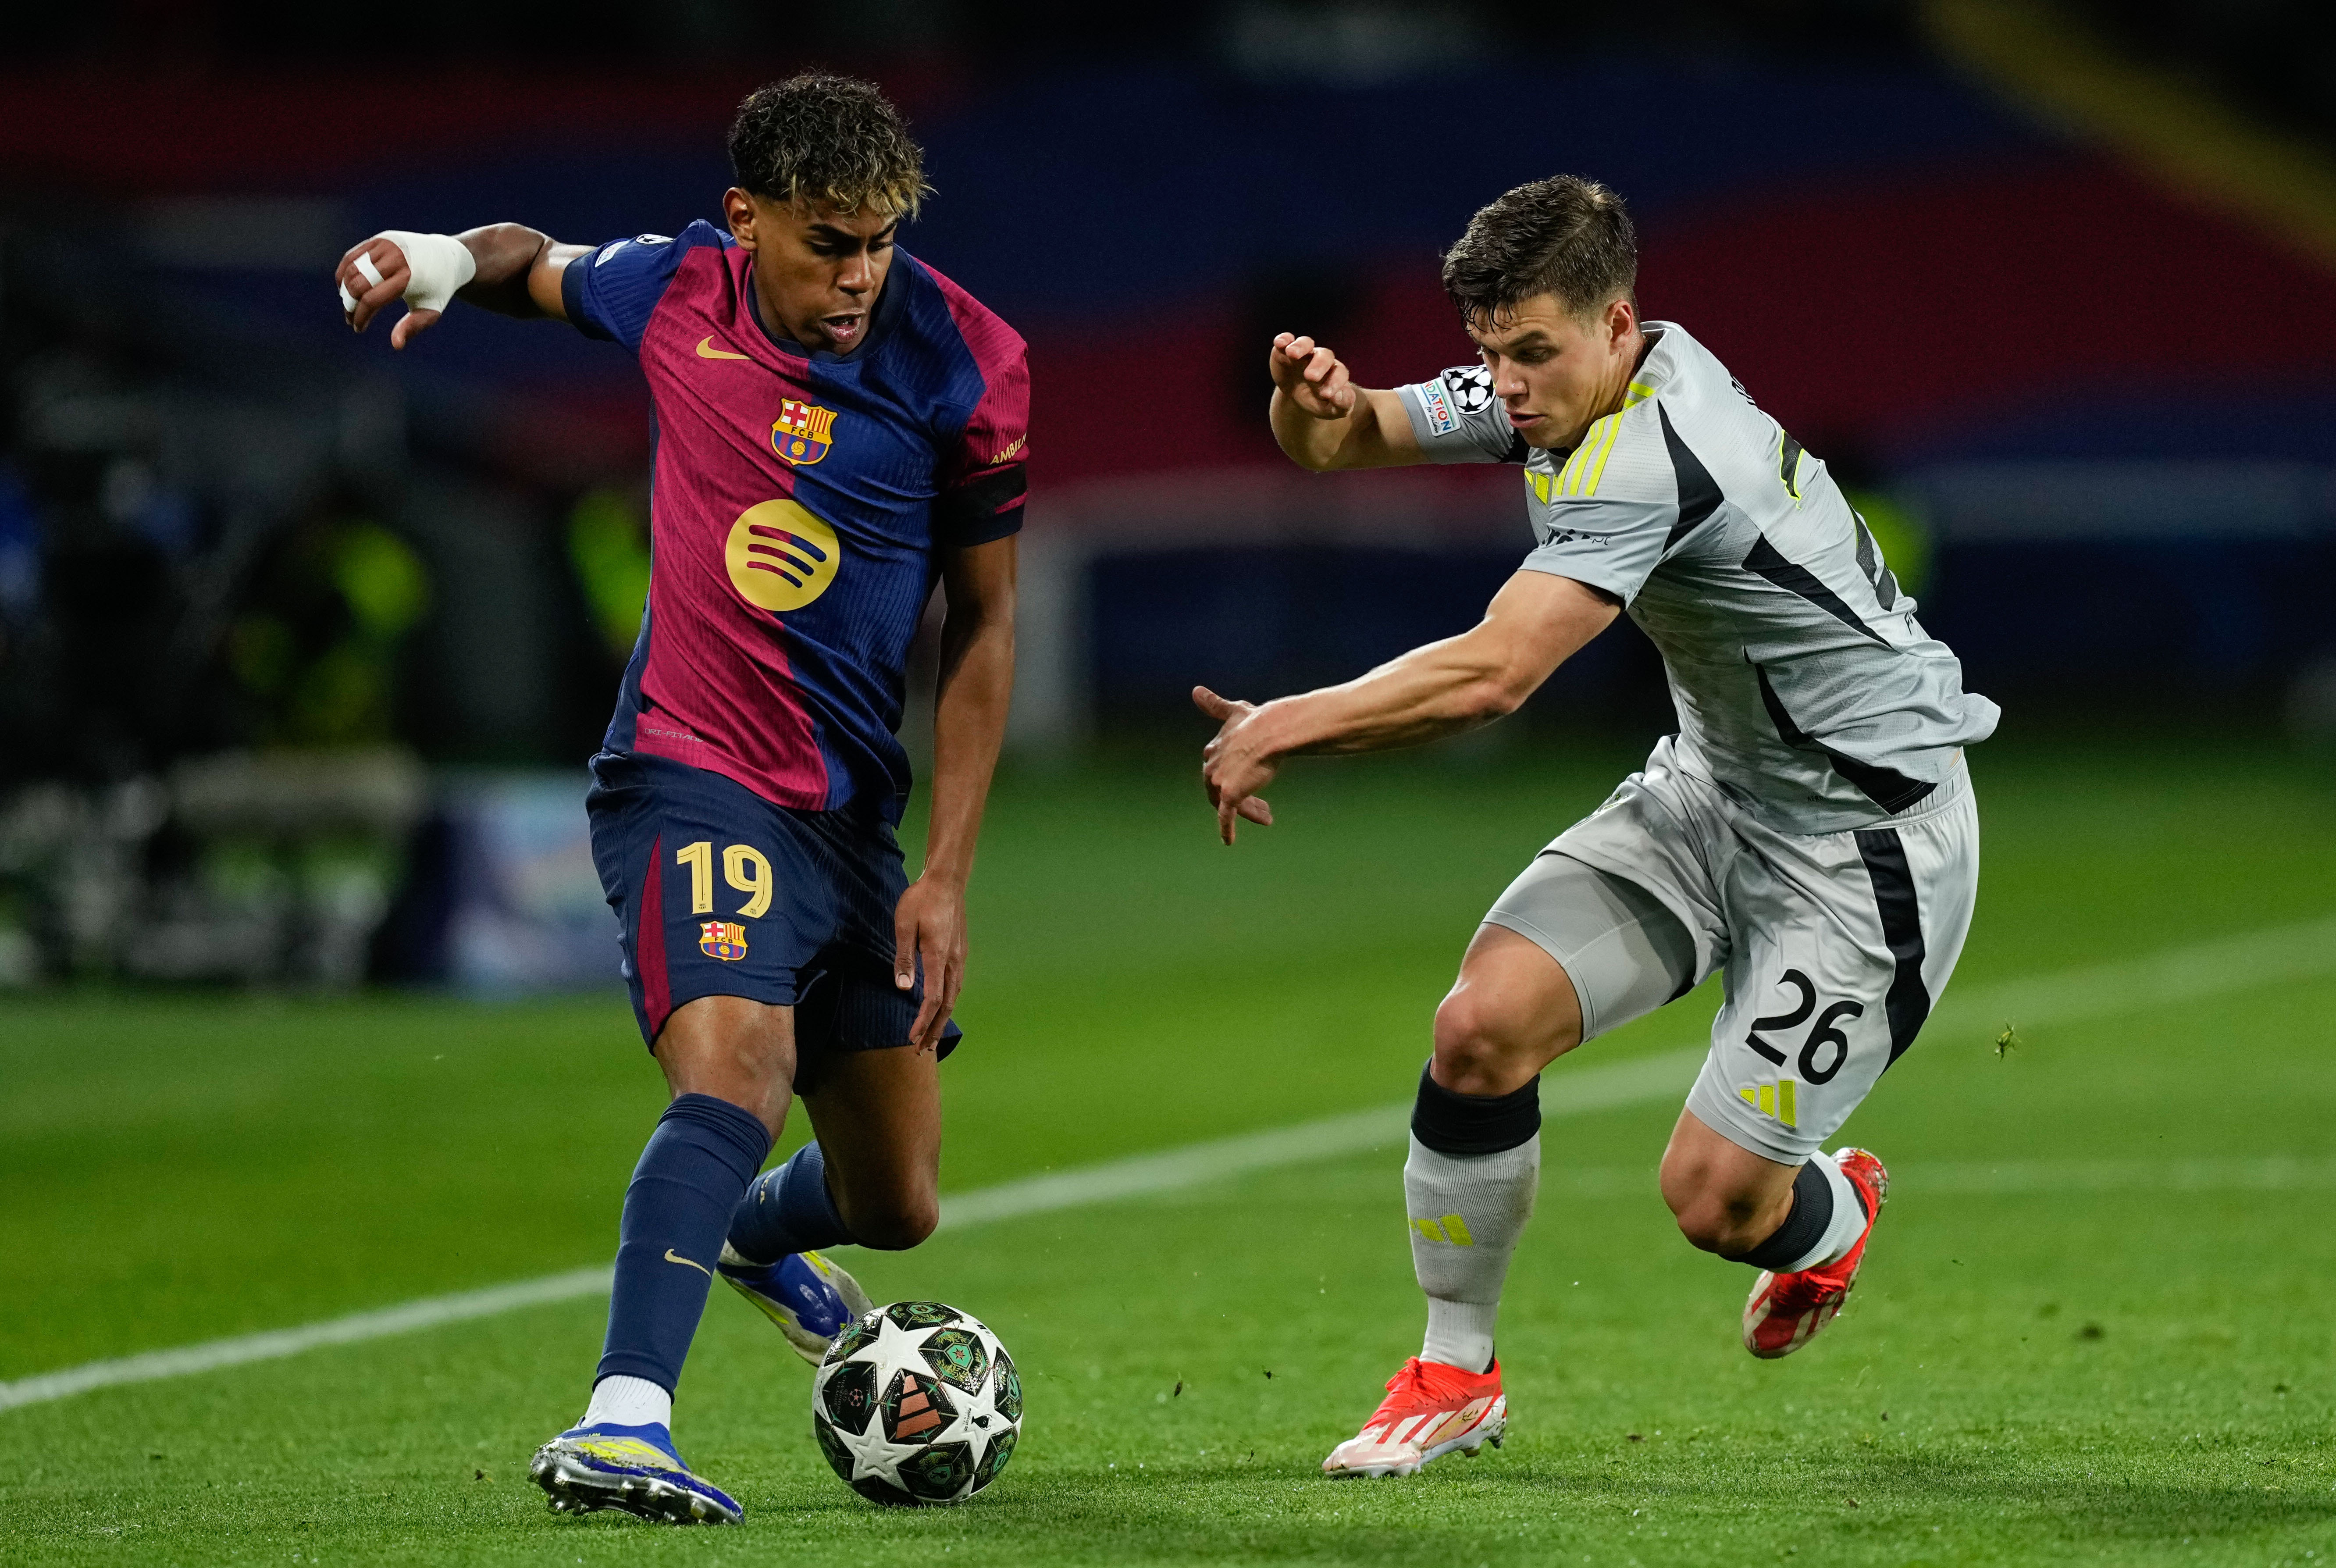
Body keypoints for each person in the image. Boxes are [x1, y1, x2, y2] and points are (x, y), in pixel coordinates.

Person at [1197, 175, 1995, 1479]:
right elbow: (1353, 438)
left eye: (1531, 355)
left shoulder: (1659, 452)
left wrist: (1286, 723)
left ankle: (1828, 1212)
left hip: (1868, 846)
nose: (1505, 387)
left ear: (1619, 325)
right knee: (1480, 1027)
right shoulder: (1565, 383)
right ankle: (1455, 1370)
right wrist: (1313, 405)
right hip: (1712, 793)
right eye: (1489, 356)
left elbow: (1495, 675)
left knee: (1714, 1204)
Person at [336, 73, 1027, 1524]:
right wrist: (443, 259)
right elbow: (533, 262)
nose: (857, 276)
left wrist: (947, 870)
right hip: (690, 772)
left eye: (881, 242)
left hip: (853, 819)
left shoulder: (966, 362)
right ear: (746, 218)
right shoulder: (673, 290)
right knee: (735, 1073)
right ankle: (623, 1421)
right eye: (828, 241)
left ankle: (748, 1234)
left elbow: (987, 628)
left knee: (895, 1199)